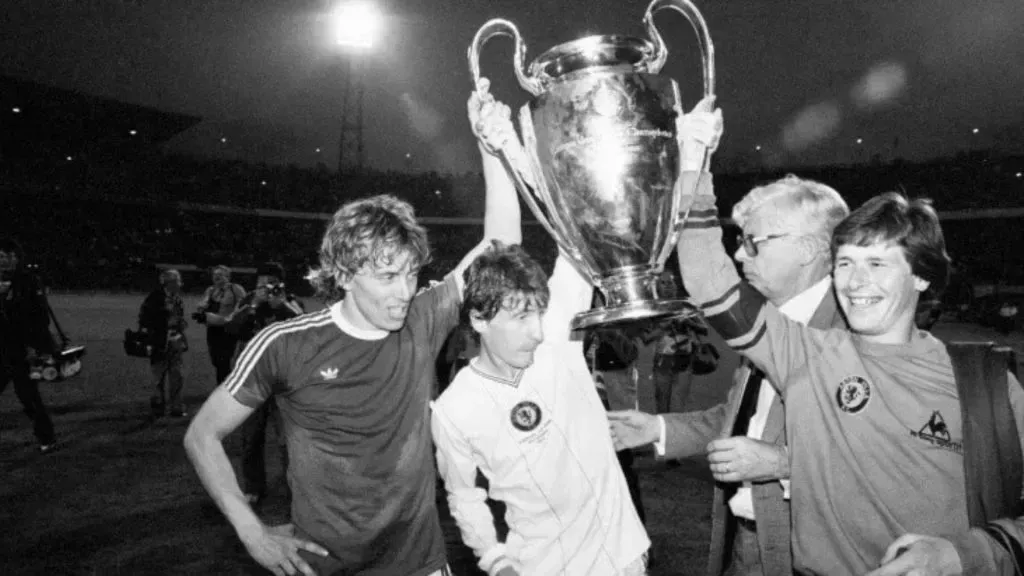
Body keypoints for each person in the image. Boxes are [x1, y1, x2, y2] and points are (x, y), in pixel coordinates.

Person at [668, 100, 1024, 575]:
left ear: (920, 276)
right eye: (845, 264)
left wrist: (964, 553)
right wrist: (694, 160)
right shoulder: (804, 354)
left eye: (877, 264)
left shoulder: (984, 385)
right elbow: (709, 278)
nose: (856, 283)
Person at [182, 78, 519, 576]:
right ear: (342, 274)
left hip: (419, 564)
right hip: (324, 567)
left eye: (411, 273)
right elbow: (202, 436)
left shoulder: (423, 317)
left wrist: (492, 148)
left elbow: (502, 247)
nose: (404, 291)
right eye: (386, 276)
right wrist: (252, 532)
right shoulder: (285, 344)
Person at [430, 91, 649, 576]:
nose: (535, 332)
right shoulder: (452, 411)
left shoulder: (557, 333)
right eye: (518, 318)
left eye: (537, 314)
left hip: (624, 557)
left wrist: (507, 150)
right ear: (479, 321)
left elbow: (578, 227)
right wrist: (494, 558)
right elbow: (463, 495)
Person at [609, 172, 850, 575]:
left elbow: (880, 455)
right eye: (741, 242)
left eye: (753, 242)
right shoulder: (777, 322)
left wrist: (784, 463)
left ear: (808, 249)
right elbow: (743, 425)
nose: (741, 255)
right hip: (748, 540)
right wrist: (656, 428)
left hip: (812, 549)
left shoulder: (846, 332)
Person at [224, 262, 303, 505]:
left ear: (280, 284)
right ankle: (253, 487)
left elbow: (305, 329)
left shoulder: (290, 300)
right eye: (260, 284)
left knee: (287, 440)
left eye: (270, 284)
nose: (264, 289)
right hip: (253, 381)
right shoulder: (248, 301)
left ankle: (295, 488)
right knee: (251, 438)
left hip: (282, 383)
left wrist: (284, 309)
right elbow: (231, 329)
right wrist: (253, 307)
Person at [0, 238, 58, 453]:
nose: (5, 261)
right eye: (1, 257)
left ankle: (46, 437)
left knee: (29, 397)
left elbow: (40, 318)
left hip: (20, 350)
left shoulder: (28, 281)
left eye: (9, 256)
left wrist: (35, 347)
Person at [139, 268, 189, 418]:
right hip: (159, 342)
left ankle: (176, 407)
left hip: (175, 340)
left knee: (177, 375)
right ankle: (158, 407)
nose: (181, 283)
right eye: (178, 281)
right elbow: (144, 319)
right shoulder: (155, 298)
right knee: (158, 376)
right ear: (170, 283)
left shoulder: (177, 298)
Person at [196, 265, 245, 385]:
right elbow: (204, 303)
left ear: (227, 277)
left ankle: (223, 387)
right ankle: (225, 384)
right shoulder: (210, 290)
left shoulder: (236, 289)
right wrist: (201, 308)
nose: (216, 277)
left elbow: (244, 306)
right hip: (213, 329)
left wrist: (235, 319)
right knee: (216, 360)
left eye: (220, 274)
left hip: (228, 329)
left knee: (224, 360)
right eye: (214, 275)